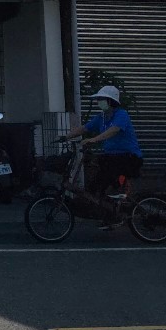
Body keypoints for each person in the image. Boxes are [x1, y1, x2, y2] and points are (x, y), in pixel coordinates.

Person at [66, 85, 142, 228]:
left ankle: (117, 211)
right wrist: (66, 137)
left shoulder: (121, 115)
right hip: (112, 158)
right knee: (96, 185)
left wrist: (94, 139)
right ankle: (108, 212)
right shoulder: (101, 118)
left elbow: (114, 130)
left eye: (102, 99)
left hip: (129, 158)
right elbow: (85, 128)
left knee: (107, 183)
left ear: (111, 101)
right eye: (98, 99)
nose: (99, 102)